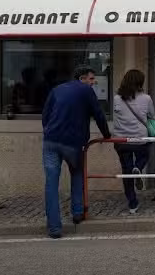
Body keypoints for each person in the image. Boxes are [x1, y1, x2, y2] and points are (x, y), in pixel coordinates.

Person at [42, 65, 111, 239]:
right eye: (91, 78)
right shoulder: (86, 91)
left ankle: (54, 228)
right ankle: (78, 212)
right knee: (77, 173)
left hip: (51, 141)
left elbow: (45, 115)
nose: (93, 82)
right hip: (73, 142)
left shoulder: (57, 90)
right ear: (81, 78)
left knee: (51, 184)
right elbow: (98, 114)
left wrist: (49, 131)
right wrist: (107, 135)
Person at [112, 69, 155, 214]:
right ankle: (138, 166)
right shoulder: (146, 98)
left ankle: (132, 204)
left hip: (121, 140)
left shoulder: (117, 98)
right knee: (145, 154)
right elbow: (151, 115)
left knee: (126, 171)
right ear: (140, 83)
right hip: (139, 139)